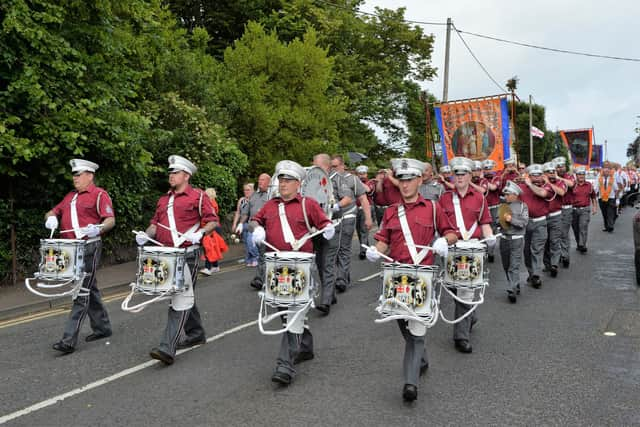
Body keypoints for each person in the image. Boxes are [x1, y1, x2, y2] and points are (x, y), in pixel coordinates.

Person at [366, 158, 456, 402]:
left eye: (409, 180)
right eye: (402, 180)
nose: (405, 185)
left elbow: (451, 232)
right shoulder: (391, 211)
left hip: (422, 275)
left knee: (416, 330)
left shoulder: (433, 207)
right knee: (403, 324)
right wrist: (376, 250)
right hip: (395, 276)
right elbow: (383, 239)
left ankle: (410, 383)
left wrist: (443, 241)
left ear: (419, 180)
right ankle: (422, 357)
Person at [250, 160, 334, 386]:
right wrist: (256, 228)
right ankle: (305, 346)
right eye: (281, 180)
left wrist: (328, 229)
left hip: (300, 267)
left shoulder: (309, 205)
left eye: (288, 180)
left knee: (294, 314)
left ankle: (285, 366)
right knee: (284, 312)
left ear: (299, 184)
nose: (283, 184)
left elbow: (325, 223)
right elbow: (254, 220)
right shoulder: (270, 205)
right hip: (275, 267)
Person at [136, 155, 218, 365]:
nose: (170, 176)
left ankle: (167, 347)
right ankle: (196, 332)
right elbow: (155, 224)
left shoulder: (198, 197)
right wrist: (146, 235)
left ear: (186, 175)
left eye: (175, 172)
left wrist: (200, 233)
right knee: (185, 294)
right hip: (166, 256)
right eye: (170, 172)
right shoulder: (163, 200)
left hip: (187, 254)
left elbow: (212, 221)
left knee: (179, 297)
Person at [46, 159, 116, 354]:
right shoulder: (70, 197)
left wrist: (99, 228)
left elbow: (110, 220)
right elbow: (52, 211)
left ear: (90, 176)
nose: (74, 178)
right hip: (69, 250)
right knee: (89, 287)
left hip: (89, 247)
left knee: (81, 291)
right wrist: (51, 218)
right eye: (74, 175)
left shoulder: (99, 194)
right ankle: (103, 328)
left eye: (78, 174)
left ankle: (69, 340)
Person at [438, 157, 495, 354]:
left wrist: (489, 238)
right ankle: (471, 315)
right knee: (454, 289)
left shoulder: (479, 197)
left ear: (471, 175)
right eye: (457, 174)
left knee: (464, 291)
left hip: (472, 247)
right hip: (451, 248)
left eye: (464, 174)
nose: (460, 177)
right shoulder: (444, 198)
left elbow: (485, 222)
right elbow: (440, 225)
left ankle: (461, 336)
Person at [311, 154, 353, 314]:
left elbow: (348, 198)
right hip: (316, 229)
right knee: (320, 263)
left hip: (332, 227)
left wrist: (335, 205)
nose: (314, 168)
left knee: (328, 262)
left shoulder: (337, 178)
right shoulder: (312, 180)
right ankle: (331, 294)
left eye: (316, 165)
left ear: (326, 166)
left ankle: (326, 300)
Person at [330, 155, 372, 294]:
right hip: (332, 219)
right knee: (334, 249)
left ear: (342, 165)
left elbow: (363, 199)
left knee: (344, 246)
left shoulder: (352, 179)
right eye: (331, 166)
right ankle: (343, 273)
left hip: (348, 215)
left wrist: (368, 218)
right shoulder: (328, 180)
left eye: (335, 166)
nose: (333, 169)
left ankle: (341, 278)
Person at [518, 164, 553, 289]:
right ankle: (531, 273)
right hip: (526, 223)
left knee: (536, 249)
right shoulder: (521, 187)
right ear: (529, 176)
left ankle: (536, 275)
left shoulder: (547, 186)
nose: (537, 178)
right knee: (527, 251)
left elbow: (543, 194)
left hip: (540, 222)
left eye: (539, 175)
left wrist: (529, 185)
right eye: (534, 175)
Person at [498, 181, 529, 303]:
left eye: (507, 194)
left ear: (514, 194)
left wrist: (511, 220)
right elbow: (497, 221)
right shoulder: (502, 206)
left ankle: (511, 289)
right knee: (506, 265)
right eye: (504, 195)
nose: (505, 197)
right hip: (504, 239)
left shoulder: (523, 206)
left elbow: (524, 223)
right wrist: (499, 222)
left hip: (517, 239)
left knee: (514, 265)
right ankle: (515, 284)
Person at [239, 174, 271, 287]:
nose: (260, 182)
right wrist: (240, 223)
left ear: (269, 181)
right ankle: (261, 279)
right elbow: (246, 212)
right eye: (259, 179)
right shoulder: (254, 195)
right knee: (262, 255)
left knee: (265, 255)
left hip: (268, 229)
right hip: (255, 229)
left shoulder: (272, 195)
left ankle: (260, 279)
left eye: (262, 180)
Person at [542, 162, 567, 278]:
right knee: (545, 242)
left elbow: (561, 192)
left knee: (554, 240)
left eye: (553, 172)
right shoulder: (540, 184)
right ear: (544, 173)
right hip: (542, 217)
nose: (551, 174)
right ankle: (547, 264)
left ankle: (554, 265)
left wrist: (548, 183)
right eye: (549, 172)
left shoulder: (560, 182)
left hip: (556, 216)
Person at [553, 157, 575, 268]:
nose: (560, 168)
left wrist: (558, 178)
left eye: (561, 166)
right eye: (558, 167)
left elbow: (571, 184)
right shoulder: (552, 178)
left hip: (566, 208)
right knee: (555, 234)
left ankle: (565, 256)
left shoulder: (569, 176)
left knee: (564, 233)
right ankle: (557, 256)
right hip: (554, 209)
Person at [200, 188, 228, 275]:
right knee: (213, 248)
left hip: (211, 228)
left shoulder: (209, 204)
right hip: (215, 227)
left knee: (209, 247)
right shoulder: (214, 203)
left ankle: (208, 268)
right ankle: (215, 266)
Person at [571, 166, 598, 252]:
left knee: (583, 226)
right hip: (573, 210)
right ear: (576, 175)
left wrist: (594, 207)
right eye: (579, 174)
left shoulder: (589, 185)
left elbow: (593, 197)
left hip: (585, 210)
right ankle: (579, 243)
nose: (581, 176)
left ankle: (582, 244)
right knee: (576, 229)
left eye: (583, 174)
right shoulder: (572, 185)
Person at [231, 183, 256, 266]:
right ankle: (248, 259)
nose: (246, 192)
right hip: (243, 224)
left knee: (251, 242)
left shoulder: (255, 199)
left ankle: (255, 258)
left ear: (253, 190)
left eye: (248, 190)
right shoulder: (241, 200)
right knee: (245, 242)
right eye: (245, 190)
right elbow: (238, 213)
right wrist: (235, 224)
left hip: (252, 224)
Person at [355, 165, 376, 259]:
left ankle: (363, 251)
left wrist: (358, 181)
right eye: (360, 174)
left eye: (363, 173)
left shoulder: (370, 182)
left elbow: (368, 190)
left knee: (364, 230)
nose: (362, 175)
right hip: (356, 209)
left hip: (367, 209)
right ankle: (366, 247)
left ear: (366, 173)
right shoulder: (355, 182)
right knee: (359, 231)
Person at [483, 159, 502, 263]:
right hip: (484, 207)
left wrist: (483, 180)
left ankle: (491, 251)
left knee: (493, 230)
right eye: (486, 169)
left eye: (490, 168)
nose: (488, 171)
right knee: (483, 229)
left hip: (494, 207)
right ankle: (485, 249)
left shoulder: (496, 178)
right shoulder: (479, 179)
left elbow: (494, 187)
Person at [598, 162, 618, 232]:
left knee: (610, 212)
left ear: (609, 171)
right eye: (605, 170)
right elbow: (595, 188)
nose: (606, 171)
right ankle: (606, 226)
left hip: (611, 198)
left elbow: (616, 189)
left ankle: (610, 226)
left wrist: (617, 199)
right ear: (602, 170)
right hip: (601, 198)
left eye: (608, 170)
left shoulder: (613, 178)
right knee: (604, 213)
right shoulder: (599, 177)